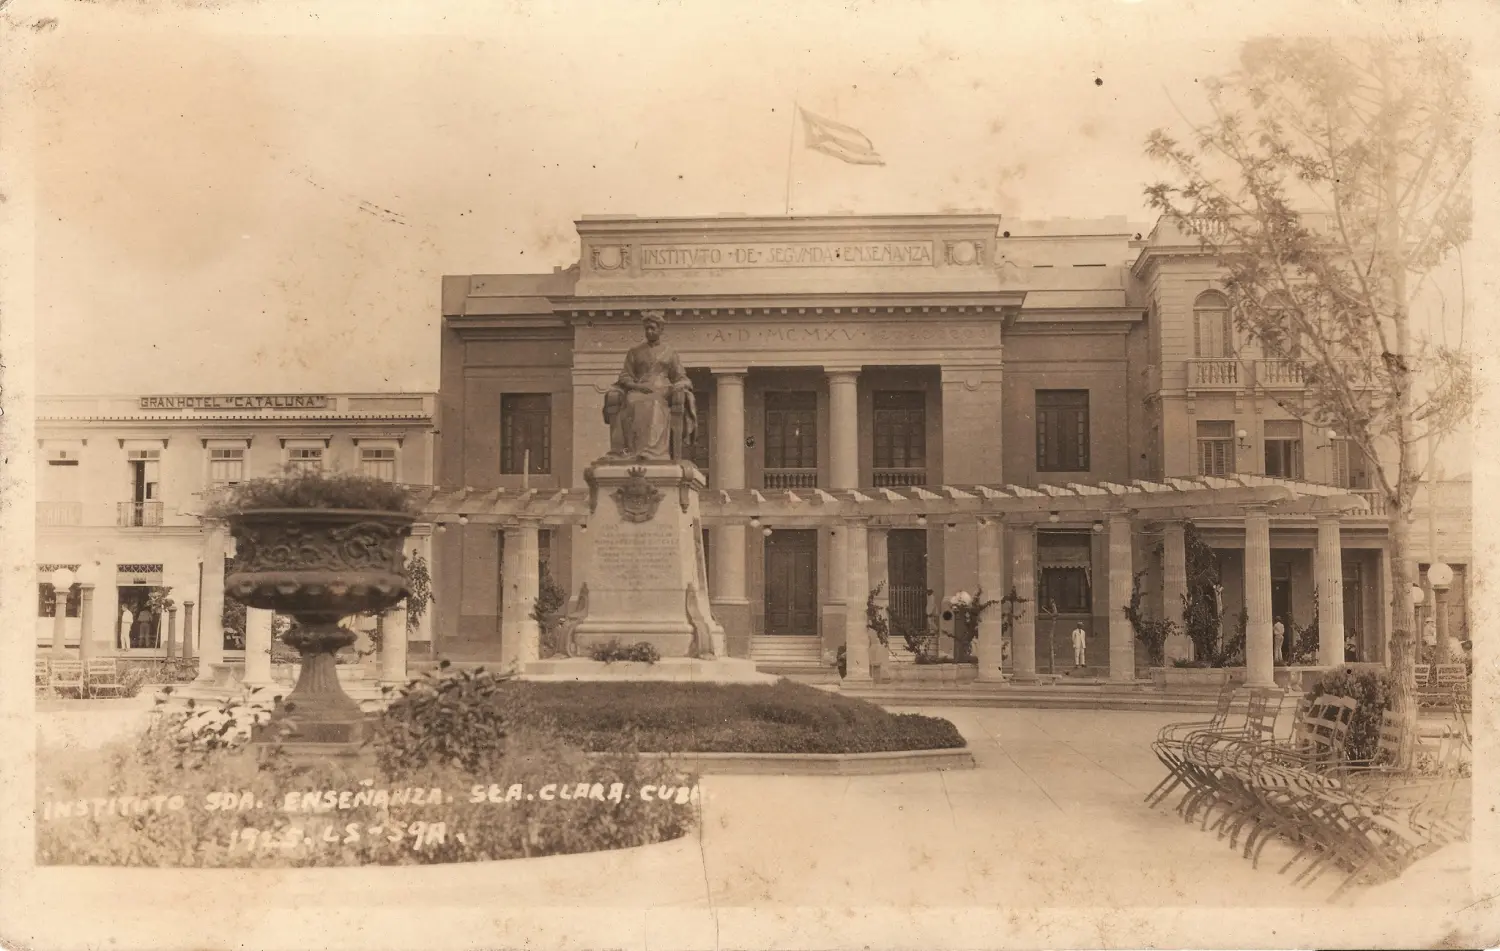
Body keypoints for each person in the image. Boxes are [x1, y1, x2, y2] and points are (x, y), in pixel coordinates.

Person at [602, 310, 696, 462]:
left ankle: (652, 452)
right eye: (647, 329)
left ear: (660, 330)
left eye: (653, 328)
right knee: (632, 401)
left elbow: (681, 377)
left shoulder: (670, 353)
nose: (649, 331)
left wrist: (677, 387)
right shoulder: (634, 352)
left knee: (654, 404)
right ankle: (632, 451)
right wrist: (637, 386)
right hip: (639, 388)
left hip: (662, 391)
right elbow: (625, 375)